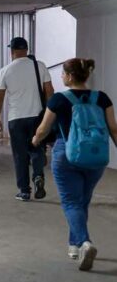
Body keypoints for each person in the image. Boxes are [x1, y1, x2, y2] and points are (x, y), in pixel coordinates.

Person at [32, 58, 117, 271]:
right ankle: (74, 245)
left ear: (70, 76)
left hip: (67, 154)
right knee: (82, 201)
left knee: (71, 202)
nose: (61, 77)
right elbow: (114, 129)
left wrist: (35, 140)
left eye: (62, 74)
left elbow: (43, 129)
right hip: (95, 157)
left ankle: (84, 242)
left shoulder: (60, 99)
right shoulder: (102, 98)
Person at [0, 37, 54, 201]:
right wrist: (50, 113)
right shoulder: (39, 66)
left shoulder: (5, 70)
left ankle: (24, 190)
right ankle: (38, 176)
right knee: (37, 149)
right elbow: (50, 91)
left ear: (12, 51)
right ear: (26, 50)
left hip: (16, 118)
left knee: (20, 155)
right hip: (37, 116)